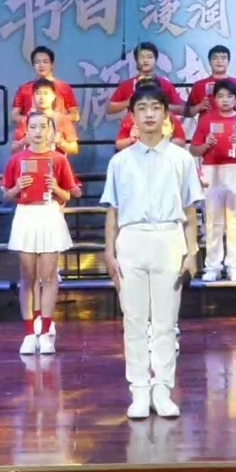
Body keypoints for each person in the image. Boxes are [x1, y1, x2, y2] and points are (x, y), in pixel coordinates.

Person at [101, 87, 203, 420]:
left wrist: (192, 252)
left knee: (165, 322)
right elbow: (113, 211)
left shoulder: (181, 159)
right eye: (142, 108)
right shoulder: (120, 161)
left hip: (169, 238)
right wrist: (109, 252)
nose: (149, 114)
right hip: (131, 239)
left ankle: (162, 390)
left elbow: (190, 211)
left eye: (155, 108)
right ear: (132, 115)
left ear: (166, 114)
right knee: (133, 320)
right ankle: (139, 391)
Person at [3, 110, 81, 355]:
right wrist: (17, 187)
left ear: (52, 132)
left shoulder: (58, 159)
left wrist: (56, 187)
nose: (38, 131)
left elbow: (71, 193)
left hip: (49, 214)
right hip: (26, 216)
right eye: (33, 127)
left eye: (43, 127)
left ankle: (46, 331)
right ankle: (29, 332)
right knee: (27, 276)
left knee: (48, 276)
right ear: (26, 131)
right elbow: (7, 194)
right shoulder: (17, 160)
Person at [188, 79, 236, 282]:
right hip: (211, 171)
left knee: (235, 221)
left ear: (235, 98)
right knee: (213, 221)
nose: (225, 100)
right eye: (221, 96)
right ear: (214, 98)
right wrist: (206, 144)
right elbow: (193, 150)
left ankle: (234, 266)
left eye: (229, 96)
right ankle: (213, 266)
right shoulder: (206, 121)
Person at [106, 41, 185, 115]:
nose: (145, 60)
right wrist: (128, 102)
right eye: (142, 57)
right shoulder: (127, 85)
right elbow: (110, 109)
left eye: (149, 57)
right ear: (136, 60)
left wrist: (162, 105)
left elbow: (181, 109)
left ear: (155, 60)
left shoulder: (165, 84)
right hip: (134, 124)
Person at [12, 45, 81, 126]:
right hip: (32, 132)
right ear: (33, 66)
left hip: (58, 132)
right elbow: (14, 116)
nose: (41, 65)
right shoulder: (24, 89)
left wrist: (58, 118)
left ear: (52, 65)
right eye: (37, 62)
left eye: (45, 62)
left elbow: (75, 115)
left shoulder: (64, 87)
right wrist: (32, 120)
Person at [11, 79, 79, 156]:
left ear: (53, 96)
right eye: (38, 93)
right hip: (31, 161)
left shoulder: (62, 119)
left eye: (46, 93)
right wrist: (24, 141)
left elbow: (74, 149)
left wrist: (60, 142)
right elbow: (13, 149)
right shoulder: (26, 120)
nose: (42, 97)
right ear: (33, 97)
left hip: (55, 161)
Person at [185, 45, 236, 117]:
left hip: (233, 124)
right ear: (209, 61)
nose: (219, 61)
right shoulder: (199, 85)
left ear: (228, 62)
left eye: (223, 58)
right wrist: (199, 106)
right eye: (215, 58)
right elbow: (187, 113)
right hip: (206, 124)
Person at [115, 108, 187, 151]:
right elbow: (118, 145)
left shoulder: (168, 116)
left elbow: (181, 142)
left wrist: (164, 139)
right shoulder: (132, 116)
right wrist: (132, 139)